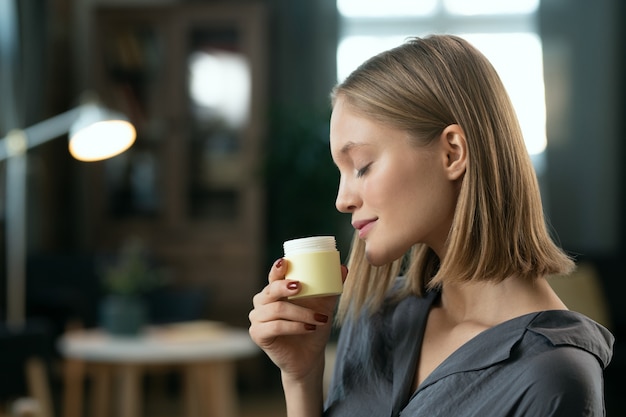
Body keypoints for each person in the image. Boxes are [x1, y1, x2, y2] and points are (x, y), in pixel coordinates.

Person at [248, 34, 614, 416]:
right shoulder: (376, 317)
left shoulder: (552, 379)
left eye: (362, 166)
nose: (343, 200)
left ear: (452, 152)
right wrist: (302, 376)